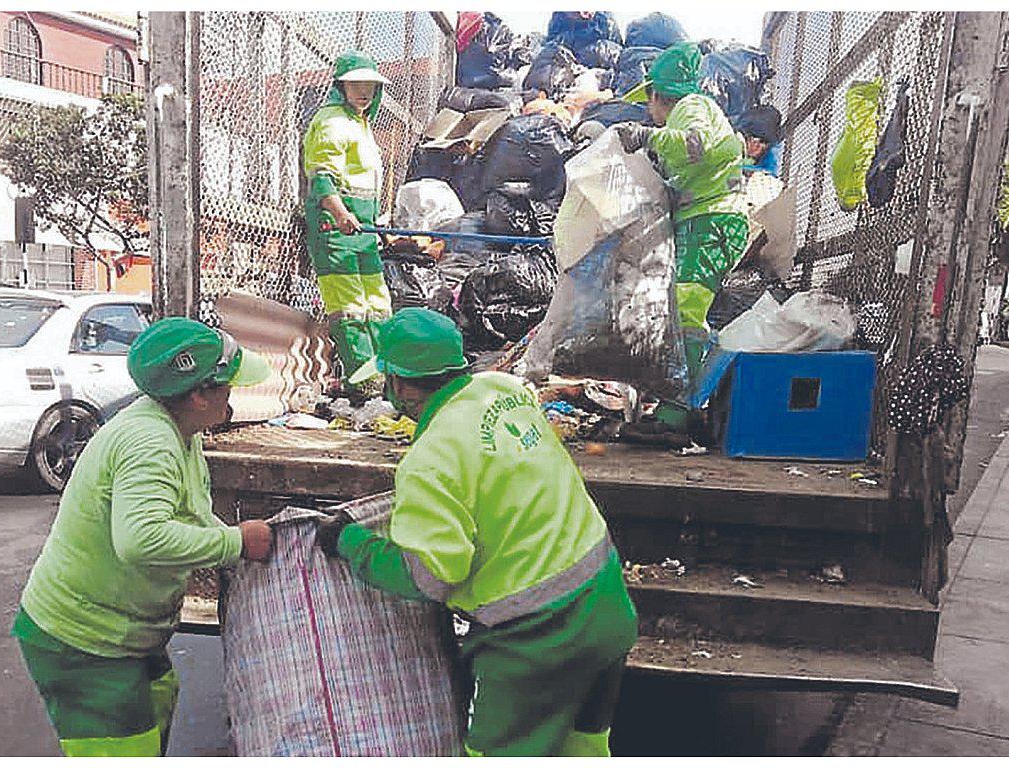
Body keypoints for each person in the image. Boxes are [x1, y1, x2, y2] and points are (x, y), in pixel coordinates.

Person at [316, 308, 638, 757]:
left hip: (538, 641)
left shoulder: (430, 462)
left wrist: (351, 543)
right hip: (606, 605)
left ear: (402, 386)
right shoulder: (504, 391)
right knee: (581, 749)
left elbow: (430, 576)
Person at [13, 317, 275, 756]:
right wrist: (234, 543)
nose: (234, 394)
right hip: (85, 642)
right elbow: (140, 539)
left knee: (158, 705)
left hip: (126, 636)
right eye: (227, 385)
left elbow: (191, 514)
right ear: (198, 395)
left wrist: (237, 541)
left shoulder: (178, 430)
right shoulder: (150, 441)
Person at [614, 41, 749, 390]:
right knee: (680, 310)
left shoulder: (691, 107)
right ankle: (676, 401)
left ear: (659, 95)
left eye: (648, 101)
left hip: (714, 222)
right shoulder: (685, 116)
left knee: (687, 311)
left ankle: (678, 412)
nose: (648, 111)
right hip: (706, 221)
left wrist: (646, 137)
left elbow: (696, 145)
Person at [302, 50, 393, 395]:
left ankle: (386, 376)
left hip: (362, 228)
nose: (364, 91)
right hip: (336, 228)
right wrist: (341, 214)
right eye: (356, 84)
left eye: (369, 84)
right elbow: (321, 176)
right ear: (341, 86)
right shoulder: (331, 122)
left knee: (377, 302)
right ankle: (366, 383)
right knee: (350, 307)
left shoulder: (358, 122)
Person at [734, 104, 783, 176]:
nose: (758, 147)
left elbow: (770, 172)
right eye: (754, 141)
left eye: (764, 142)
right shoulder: (733, 138)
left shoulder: (772, 150)